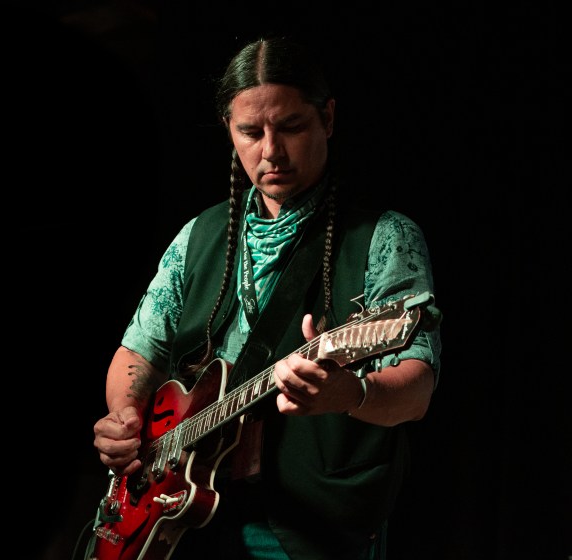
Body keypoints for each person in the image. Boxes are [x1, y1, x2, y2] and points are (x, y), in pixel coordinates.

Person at [90, 35, 442, 560]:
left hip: (308, 523)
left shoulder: (384, 237)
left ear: (327, 118)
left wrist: (350, 393)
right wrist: (123, 417)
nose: (271, 151)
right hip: (183, 512)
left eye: (291, 126)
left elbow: (417, 390)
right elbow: (137, 353)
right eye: (251, 132)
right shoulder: (197, 237)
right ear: (228, 129)